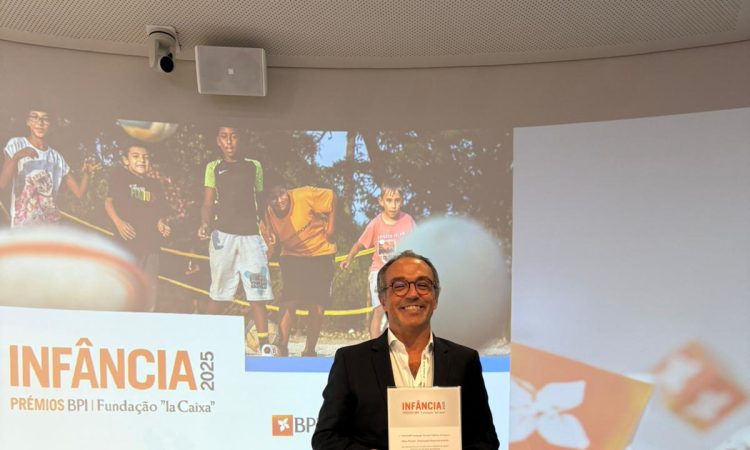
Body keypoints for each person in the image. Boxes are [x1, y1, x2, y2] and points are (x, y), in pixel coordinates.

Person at [312, 250, 500, 450]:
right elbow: (326, 438)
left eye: (423, 285)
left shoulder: (464, 360)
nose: (413, 294)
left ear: (435, 298)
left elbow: (486, 439)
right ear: (383, 300)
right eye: (399, 286)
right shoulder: (351, 361)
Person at [197, 126, 275, 354]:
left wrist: (268, 230)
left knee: (258, 294)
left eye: (234, 136)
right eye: (224, 137)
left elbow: (261, 202)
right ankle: (205, 341)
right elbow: (207, 204)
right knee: (219, 293)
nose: (229, 141)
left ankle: (264, 345)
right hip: (223, 237)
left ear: (240, 139)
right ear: (218, 141)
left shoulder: (254, 166)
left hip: (252, 238)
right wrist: (204, 224)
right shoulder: (213, 167)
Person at [261, 182, 336, 357]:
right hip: (292, 255)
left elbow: (332, 197)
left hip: (320, 251)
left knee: (317, 305)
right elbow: (269, 252)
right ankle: (282, 346)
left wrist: (331, 228)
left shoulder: (304, 195)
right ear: (267, 200)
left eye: (281, 193)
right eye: (273, 197)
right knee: (289, 299)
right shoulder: (266, 218)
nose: (280, 200)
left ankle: (309, 350)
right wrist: (269, 249)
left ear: (286, 190)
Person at [340, 181, 416, 338]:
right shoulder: (375, 224)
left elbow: (419, 242)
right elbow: (359, 244)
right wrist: (349, 259)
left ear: (402, 201)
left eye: (397, 200)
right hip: (379, 273)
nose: (393, 205)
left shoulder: (408, 220)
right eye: (389, 200)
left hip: (402, 274)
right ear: (381, 201)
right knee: (380, 308)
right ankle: (375, 346)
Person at [0, 109, 97, 227]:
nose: (40, 122)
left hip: (50, 229)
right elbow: (2, 183)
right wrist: (17, 157)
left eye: (45, 119)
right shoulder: (16, 144)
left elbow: (79, 193)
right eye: (35, 117)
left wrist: (87, 173)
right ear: (28, 122)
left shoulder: (57, 158)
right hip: (22, 228)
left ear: (50, 125)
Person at [104, 144, 171, 311]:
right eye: (135, 156)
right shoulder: (120, 177)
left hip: (151, 247)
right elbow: (108, 202)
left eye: (145, 157)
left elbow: (162, 212)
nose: (141, 160)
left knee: (148, 295)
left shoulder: (155, 184)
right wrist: (118, 222)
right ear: (126, 160)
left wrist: (162, 223)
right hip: (127, 245)